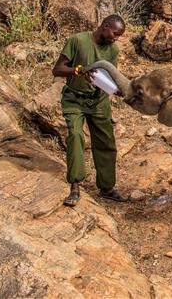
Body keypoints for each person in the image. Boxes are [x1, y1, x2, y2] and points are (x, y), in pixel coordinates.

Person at [52, 15, 128, 207]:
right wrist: (79, 70)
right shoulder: (78, 40)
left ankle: (107, 188)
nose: (116, 38)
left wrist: (116, 90)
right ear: (105, 26)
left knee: (106, 142)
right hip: (74, 99)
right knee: (76, 136)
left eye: (119, 36)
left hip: (99, 101)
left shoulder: (113, 50)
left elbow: (110, 76)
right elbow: (58, 69)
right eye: (115, 33)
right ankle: (75, 186)